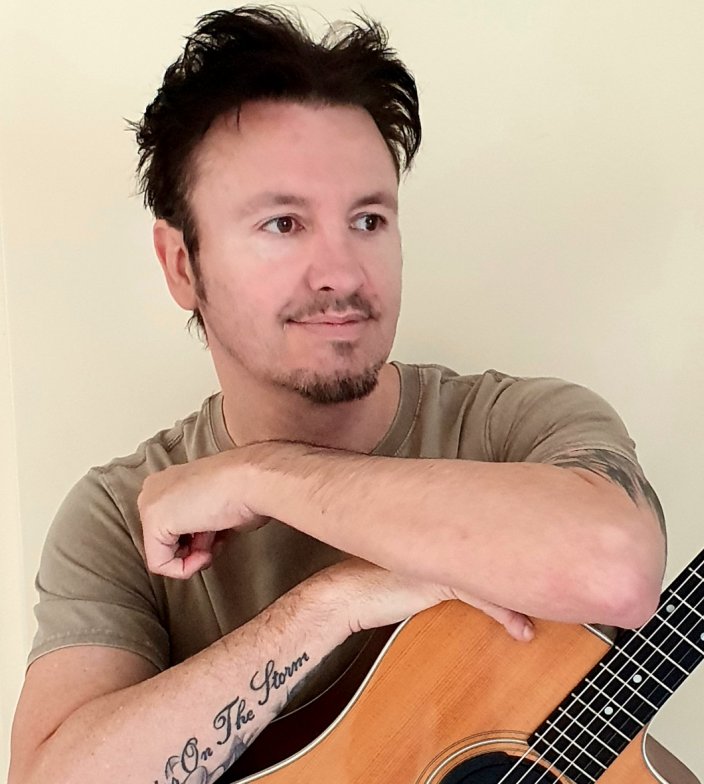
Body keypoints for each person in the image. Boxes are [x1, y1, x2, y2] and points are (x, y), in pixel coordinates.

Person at [8, 6, 666, 783]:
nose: (343, 273)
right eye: (284, 224)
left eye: (368, 219)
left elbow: (616, 571)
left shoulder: (516, 427)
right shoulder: (121, 515)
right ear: (182, 264)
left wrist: (258, 476)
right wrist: (336, 603)